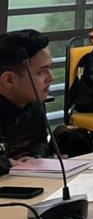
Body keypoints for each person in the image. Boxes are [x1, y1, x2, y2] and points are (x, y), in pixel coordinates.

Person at [0, 30, 53, 161]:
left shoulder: (34, 101)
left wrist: (35, 157)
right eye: (41, 72)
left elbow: (41, 143)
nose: (51, 78)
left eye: (49, 69)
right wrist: (8, 164)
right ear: (9, 80)